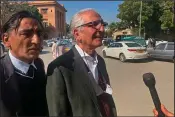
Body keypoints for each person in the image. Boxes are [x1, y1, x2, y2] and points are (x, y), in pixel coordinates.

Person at [47, 8, 117, 117]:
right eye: (95, 24)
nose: (102, 29)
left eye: (103, 24)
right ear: (77, 33)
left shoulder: (101, 61)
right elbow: (58, 112)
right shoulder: (59, 68)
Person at [0, 11, 48, 116]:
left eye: (39, 34)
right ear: (6, 39)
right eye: (26, 34)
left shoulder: (39, 65)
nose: (36, 40)